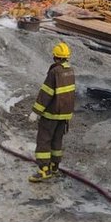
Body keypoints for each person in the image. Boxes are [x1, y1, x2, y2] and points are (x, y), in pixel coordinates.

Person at [29, 42, 77, 183]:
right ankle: (54, 167)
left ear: (55, 56)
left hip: (52, 114)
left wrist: (36, 111)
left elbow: (46, 93)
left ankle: (44, 170)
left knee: (44, 140)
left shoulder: (54, 72)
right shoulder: (70, 71)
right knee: (57, 141)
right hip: (65, 115)